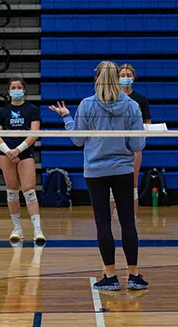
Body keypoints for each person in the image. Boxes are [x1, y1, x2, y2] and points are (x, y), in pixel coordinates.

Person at [48, 61, 147, 291]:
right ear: (116, 79)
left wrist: (66, 118)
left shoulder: (86, 105)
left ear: (97, 79)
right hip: (123, 169)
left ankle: (110, 277)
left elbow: (78, 140)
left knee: (103, 222)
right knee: (128, 222)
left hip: (96, 172)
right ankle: (133, 275)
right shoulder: (132, 106)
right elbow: (136, 144)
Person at [0, 77, 44, 244]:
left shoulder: (32, 109)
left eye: (19, 87)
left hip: (24, 151)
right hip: (6, 154)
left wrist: (18, 150)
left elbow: (35, 132)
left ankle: (37, 230)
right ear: (8, 92)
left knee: (29, 190)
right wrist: (8, 151)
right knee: (12, 189)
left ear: (24, 90)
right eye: (13, 87)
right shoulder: (3, 112)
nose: (16, 90)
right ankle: (17, 228)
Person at [116, 63, 151, 213]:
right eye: (122, 76)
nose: (125, 78)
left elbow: (147, 123)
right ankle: (112, 220)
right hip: (115, 145)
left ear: (134, 78)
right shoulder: (113, 98)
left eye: (128, 76)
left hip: (134, 146)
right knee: (114, 183)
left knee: (133, 183)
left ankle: (132, 219)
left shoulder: (140, 99)